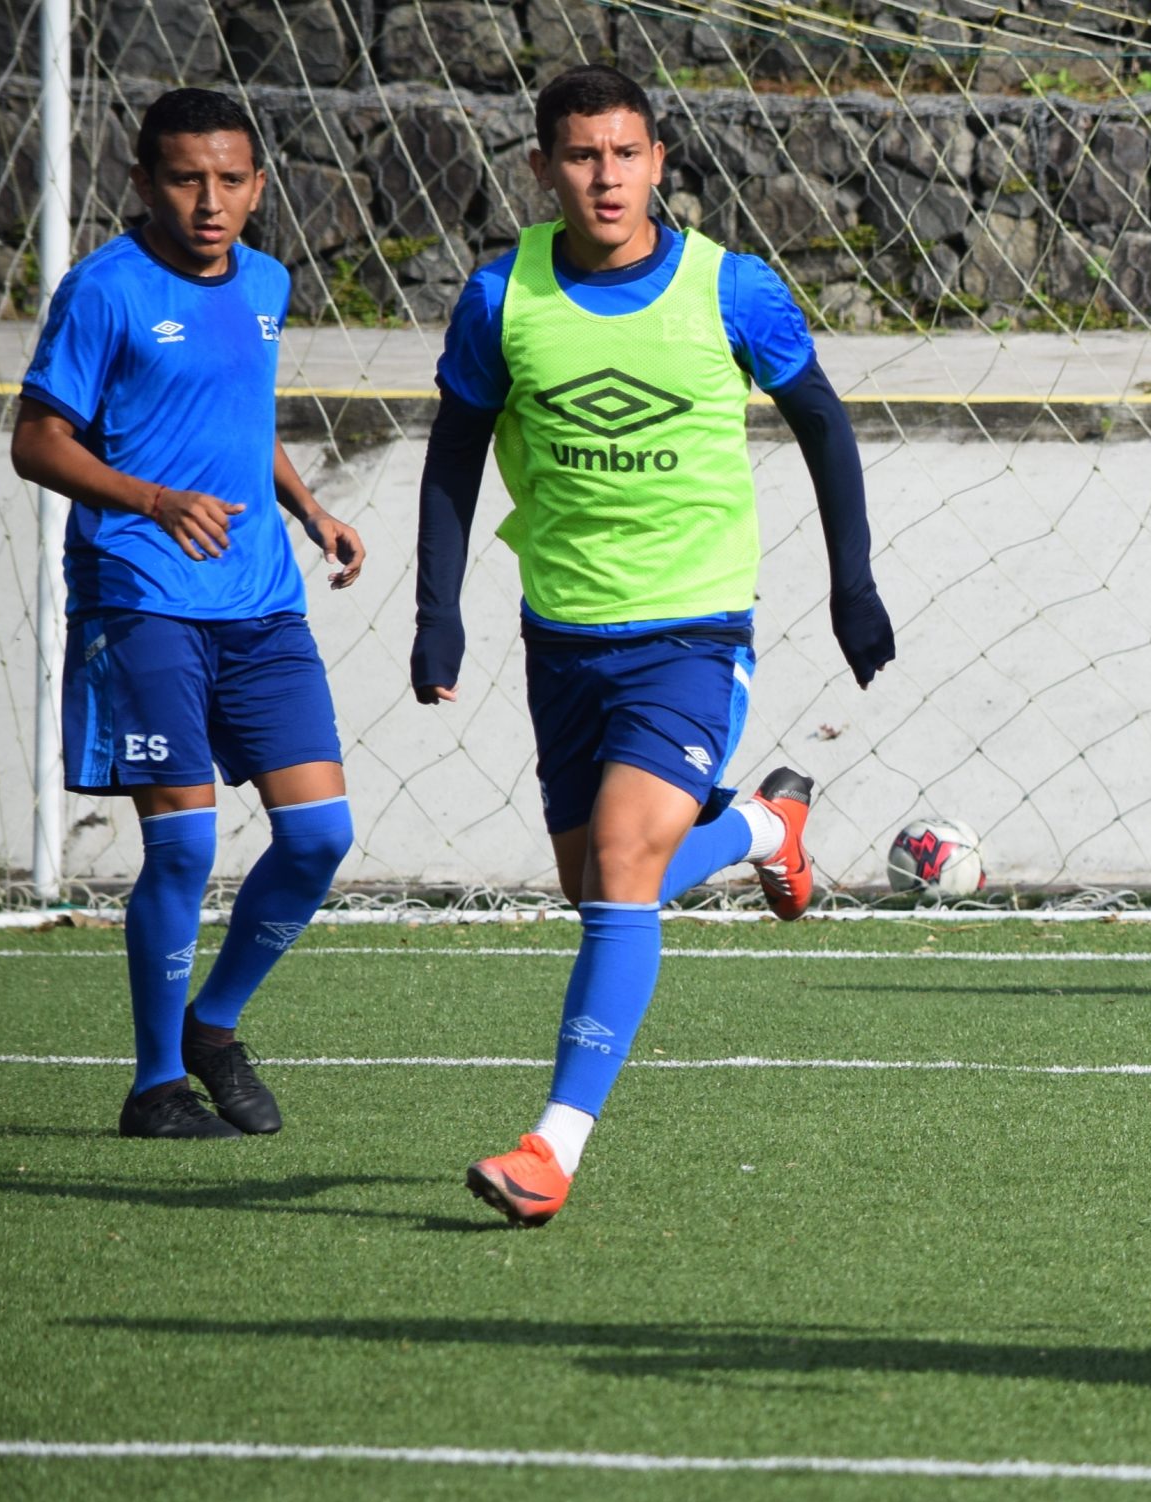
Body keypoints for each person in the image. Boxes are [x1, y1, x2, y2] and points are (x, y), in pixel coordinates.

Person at [413, 65, 894, 1225]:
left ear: (659, 161)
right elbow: (453, 453)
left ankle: (552, 1147)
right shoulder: (501, 297)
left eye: (625, 153)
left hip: (692, 632)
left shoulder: (733, 289)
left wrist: (853, 585)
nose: (606, 176)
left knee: (624, 867)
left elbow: (824, 424)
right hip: (560, 639)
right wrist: (438, 610)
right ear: (542, 168)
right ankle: (761, 826)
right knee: (596, 885)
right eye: (582, 155)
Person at [12, 87, 366, 1141]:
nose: (210, 201)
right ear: (142, 181)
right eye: (184, 179)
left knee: (319, 835)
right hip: (143, 599)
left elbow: (240, 414)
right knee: (182, 848)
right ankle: (157, 1086)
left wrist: (309, 510)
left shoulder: (267, 281)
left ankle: (213, 1026)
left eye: (230, 180)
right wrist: (154, 500)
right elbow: (36, 441)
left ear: (257, 186)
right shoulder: (104, 289)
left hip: (262, 602)